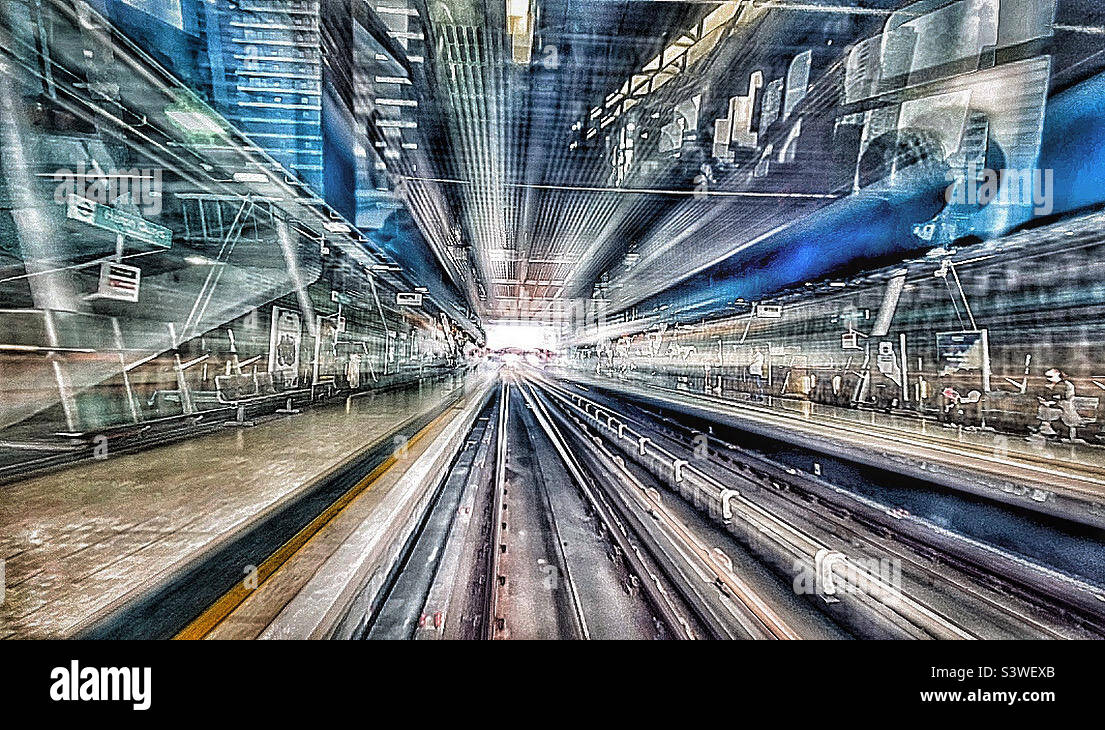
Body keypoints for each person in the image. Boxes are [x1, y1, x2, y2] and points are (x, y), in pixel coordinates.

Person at [1031, 368, 1084, 441]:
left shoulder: (1067, 385)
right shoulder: (1051, 385)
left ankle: (1045, 430)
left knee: (1047, 410)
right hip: (1057, 408)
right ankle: (1045, 429)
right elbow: (1048, 397)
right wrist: (1045, 400)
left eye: (1050, 377)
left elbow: (1067, 400)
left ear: (1057, 374)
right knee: (1043, 408)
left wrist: (1052, 403)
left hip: (1067, 410)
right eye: (1047, 377)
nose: (1048, 379)